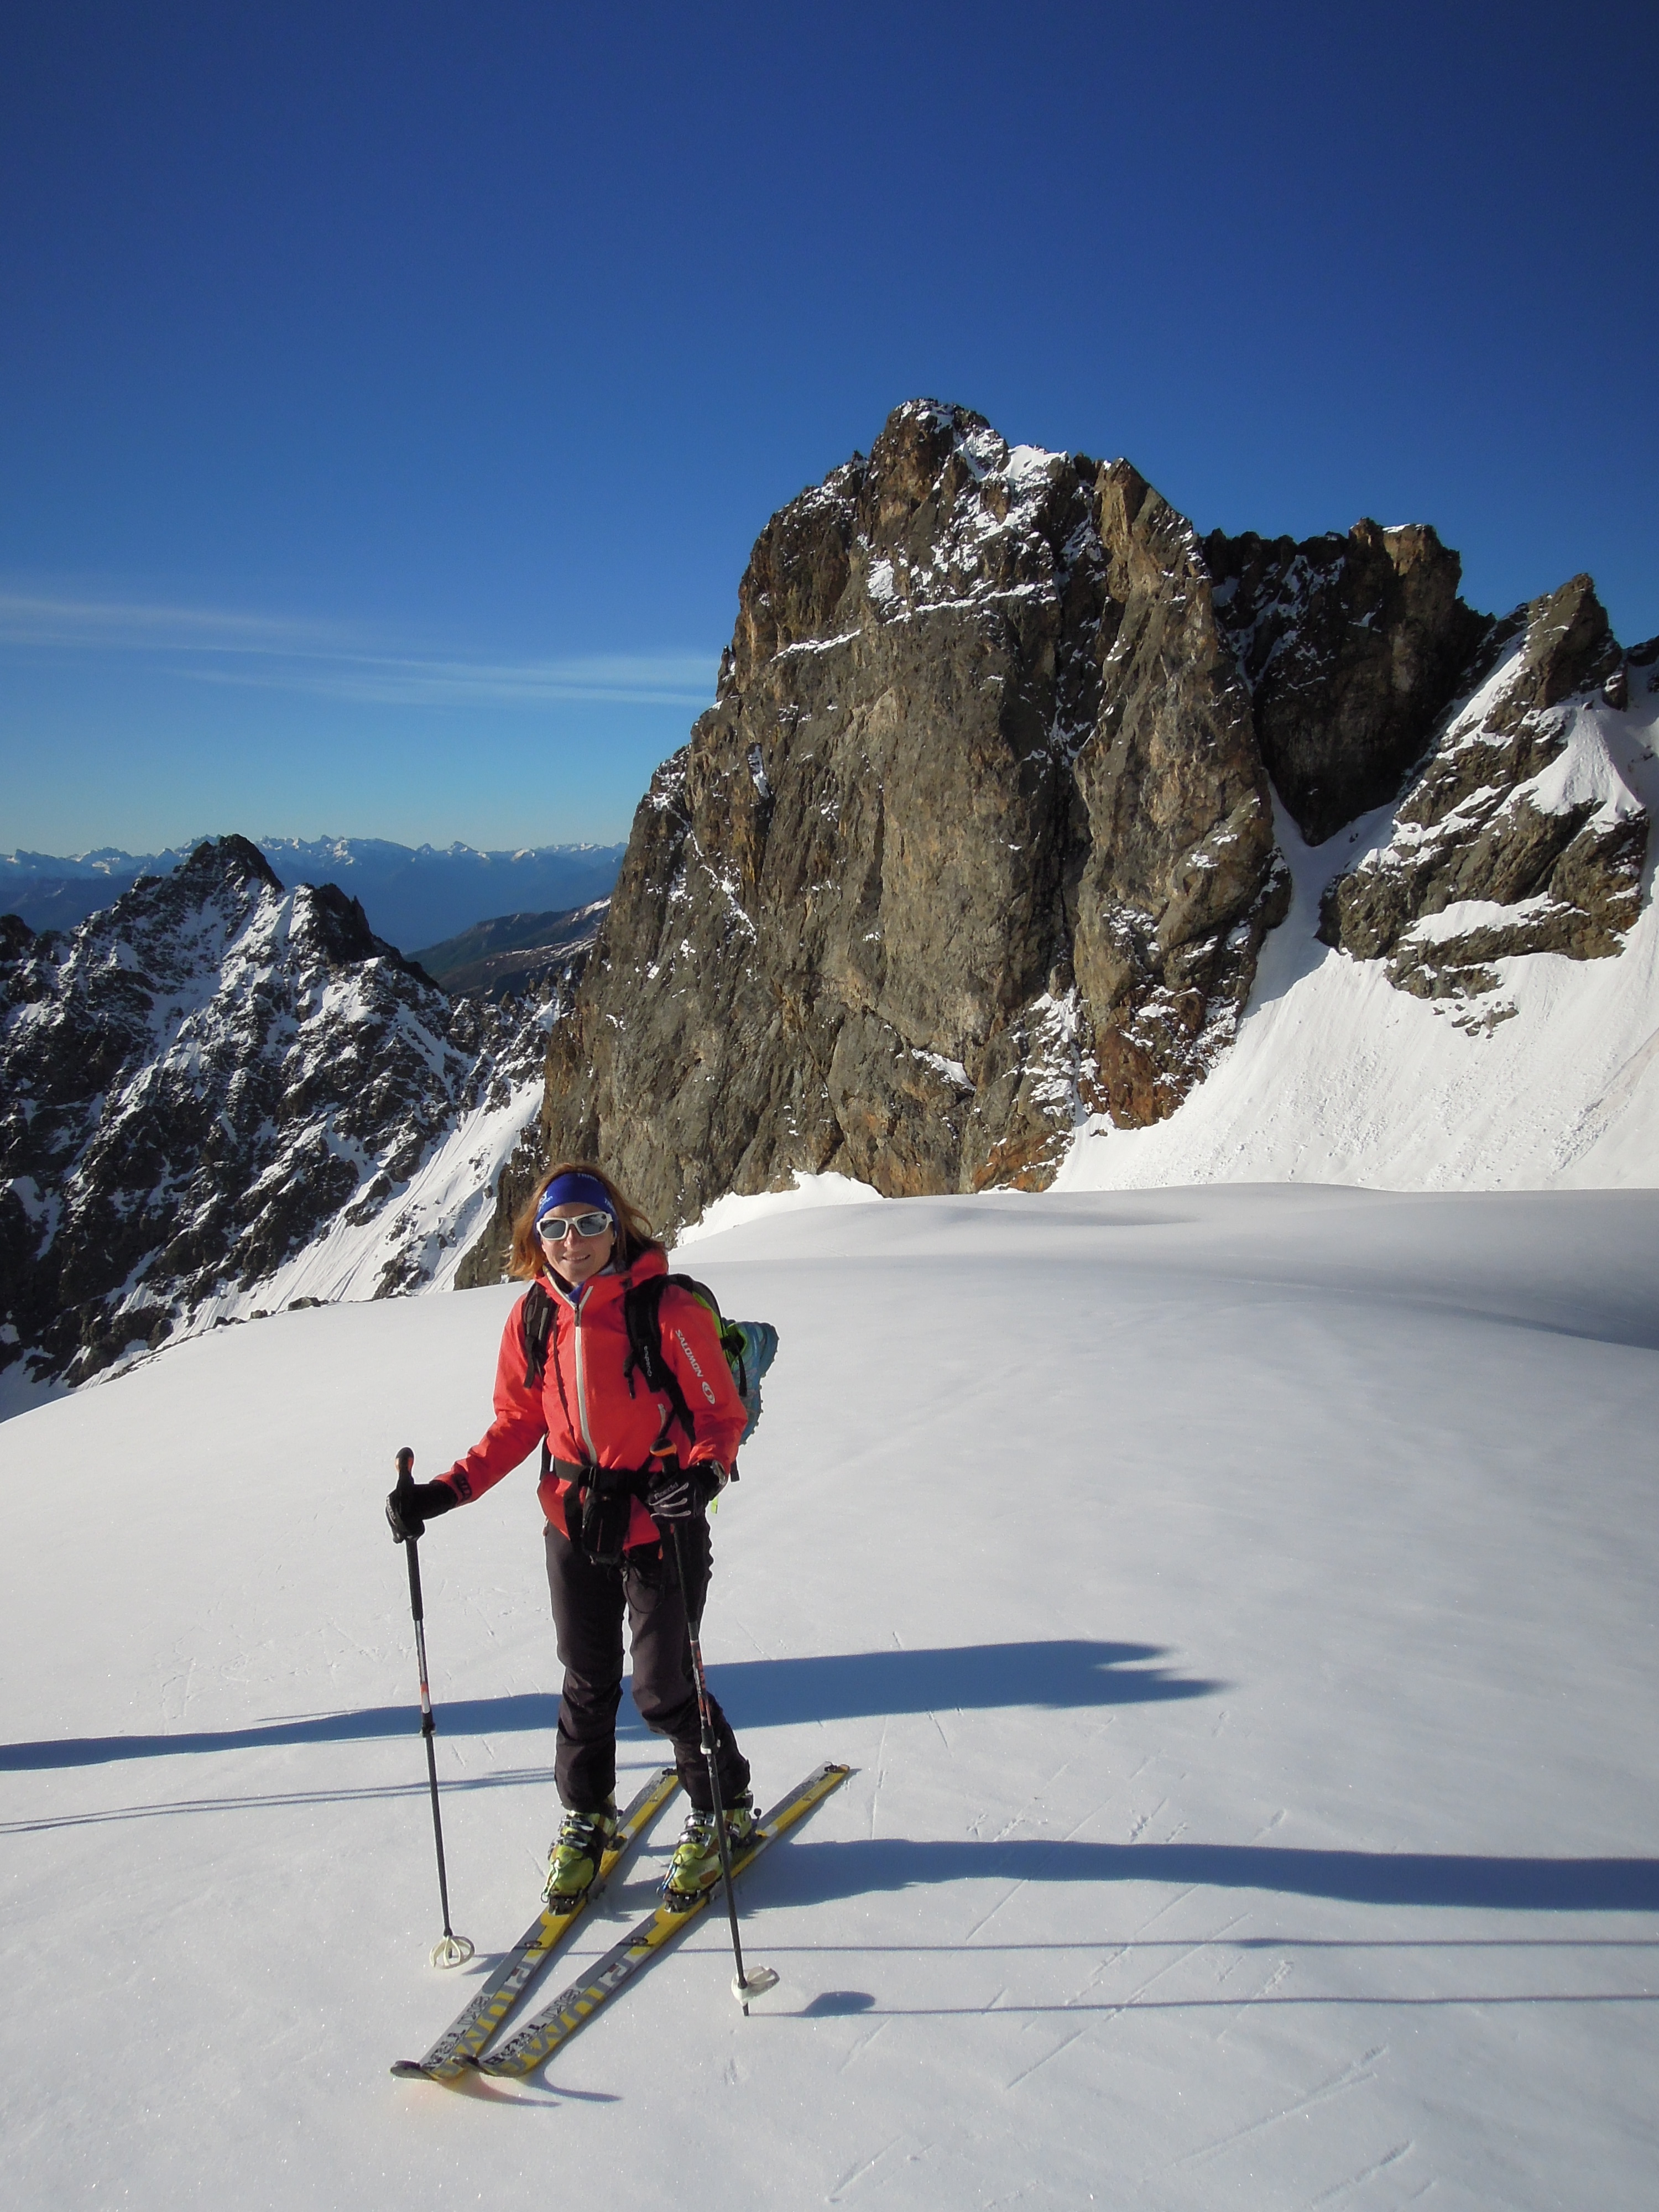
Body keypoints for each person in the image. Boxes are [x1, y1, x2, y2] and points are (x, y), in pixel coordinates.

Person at [385, 1161, 753, 1912]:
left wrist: (705, 1477)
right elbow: (518, 1423)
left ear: (616, 1229)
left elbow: (720, 1417)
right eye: (554, 1227)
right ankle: (587, 1814)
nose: (572, 1240)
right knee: (586, 1680)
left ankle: (725, 1808)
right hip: (573, 1522)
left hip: (661, 1524)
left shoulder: (666, 1309)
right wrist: (447, 1490)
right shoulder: (533, 1317)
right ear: (537, 1237)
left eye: (589, 1223)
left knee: (664, 1689)